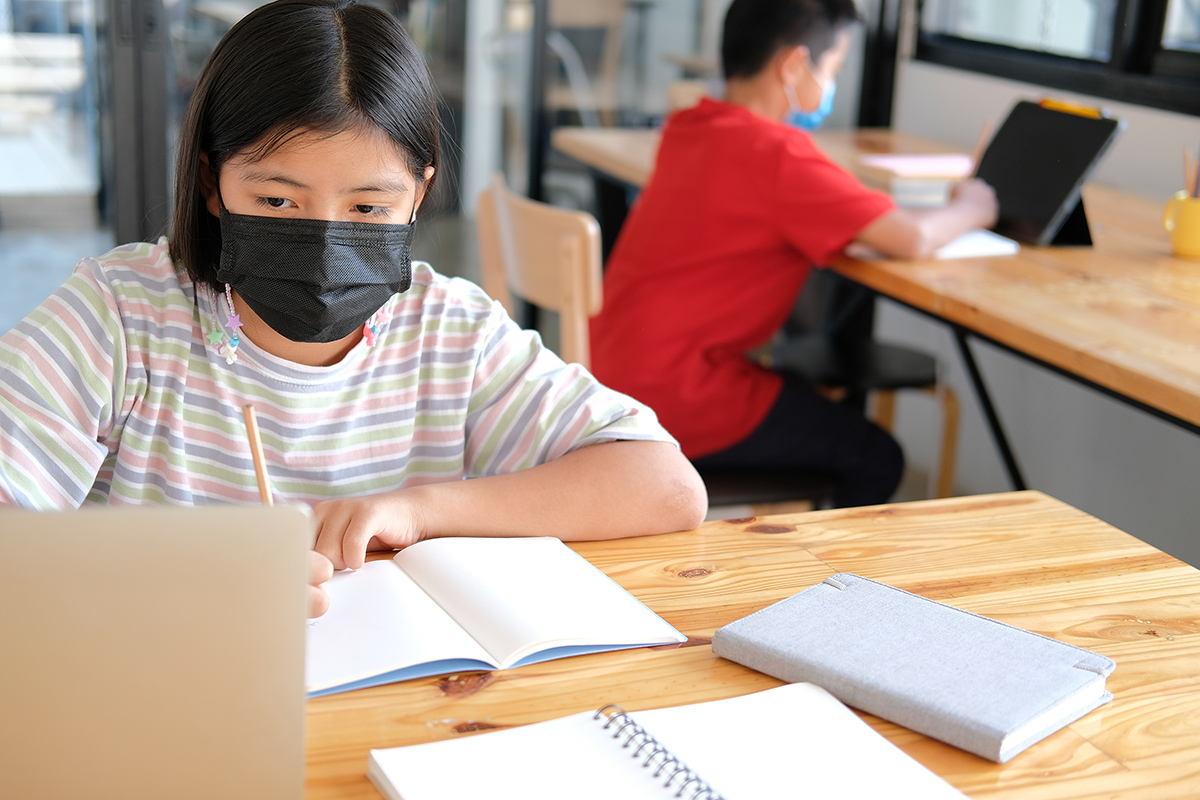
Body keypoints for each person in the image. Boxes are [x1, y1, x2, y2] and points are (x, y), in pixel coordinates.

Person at [0, 0, 706, 617]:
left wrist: (420, 510)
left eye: (369, 207)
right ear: (214, 185)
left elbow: (666, 486)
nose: (324, 241)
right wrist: (190, 582)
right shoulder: (120, 317)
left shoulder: (450, 330)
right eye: (278, 201)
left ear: (419, 194)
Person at [589, 0, 998, 508]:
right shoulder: (777, 155)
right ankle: (827, 582)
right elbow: (910, 238)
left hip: (613, 376)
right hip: (679, 396)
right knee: (875, 455)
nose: (830, 85)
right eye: (832, 69)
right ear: (793, 65)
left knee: (806, 394)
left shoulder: (691, 126)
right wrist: (976, 205)